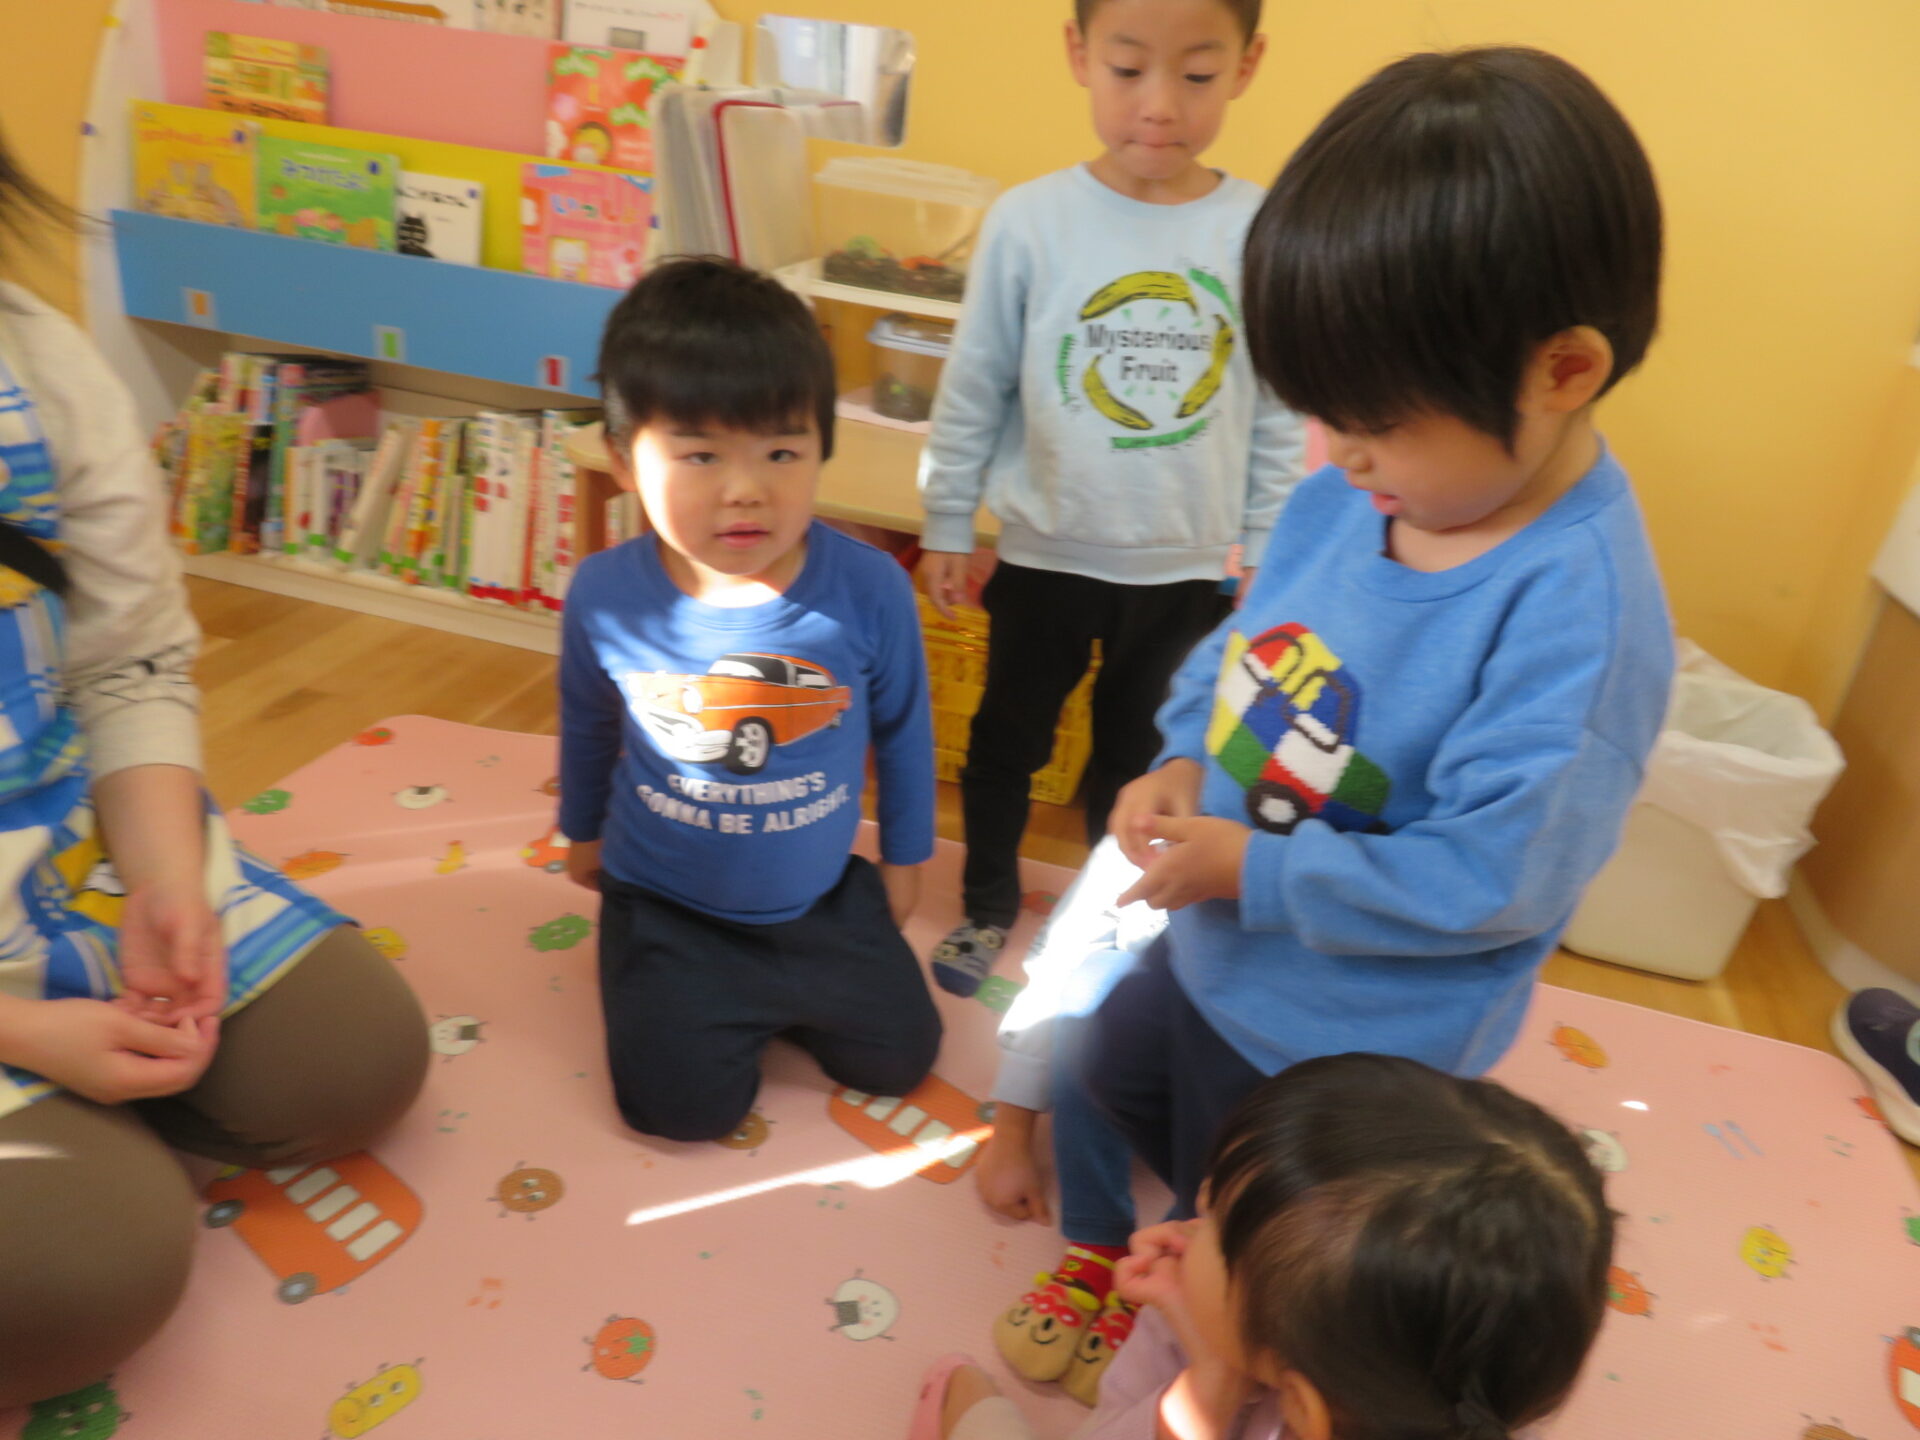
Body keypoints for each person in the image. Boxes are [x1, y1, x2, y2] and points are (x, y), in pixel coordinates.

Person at [1090, 44, 1673, 1218]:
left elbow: (1489, 882)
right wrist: (1183, 755)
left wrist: (1254, 868)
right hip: (1212, 938)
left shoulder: (1577, 618)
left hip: (1344, 1043)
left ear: (1562, 370)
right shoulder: (1348, 496)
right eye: (1324, 414)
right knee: (1119, 1079)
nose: (1341, 455)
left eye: (1376, 421)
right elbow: (1245, 645)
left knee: (1255, 1230)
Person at [0, 132, 428, 1407]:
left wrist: (164, 881)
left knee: (357, 1059)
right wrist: (28, 1035)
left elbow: (129, 664)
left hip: (51, 856)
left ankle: (86, 1110)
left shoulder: (36, 360)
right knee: (91, 1275)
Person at [917, 0, 1303, 994]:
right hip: (1045, 556)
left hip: (1188, 574)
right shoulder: (1029, 222)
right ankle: (987, 905)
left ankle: (1100, 923)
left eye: (1197, 75)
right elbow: (973, 386)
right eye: (1129, 70)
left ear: (1247, 65)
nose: (1159, 106)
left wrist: (1265, 546)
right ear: (1079, 54)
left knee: (1139, 768)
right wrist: (949, 518)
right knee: (1006, 742)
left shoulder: (1262, 230)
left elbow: (1276, 412)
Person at [560, 257, 941, 1143]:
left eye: (781, 452)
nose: (745, 489)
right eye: (700, 455)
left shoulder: (870, 590)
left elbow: (904, 732)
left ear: (821, 451)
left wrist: (905, 861)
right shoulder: (604, 594)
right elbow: (587, 722)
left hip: (819, 899)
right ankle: (645, 963)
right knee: (681, 1112)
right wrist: (581, 833)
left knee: (903, 1059)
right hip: (668, 905)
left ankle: (775, 991)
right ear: (622, 460)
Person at [909, 1053, 1616, 1440]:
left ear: (1302, 1405)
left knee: (970, 1402)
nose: (1189, 1213)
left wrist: (1211, 1380)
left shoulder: (1220, 1367)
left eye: (1214, 1220)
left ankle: (956, 1401)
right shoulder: (1427, 1390)